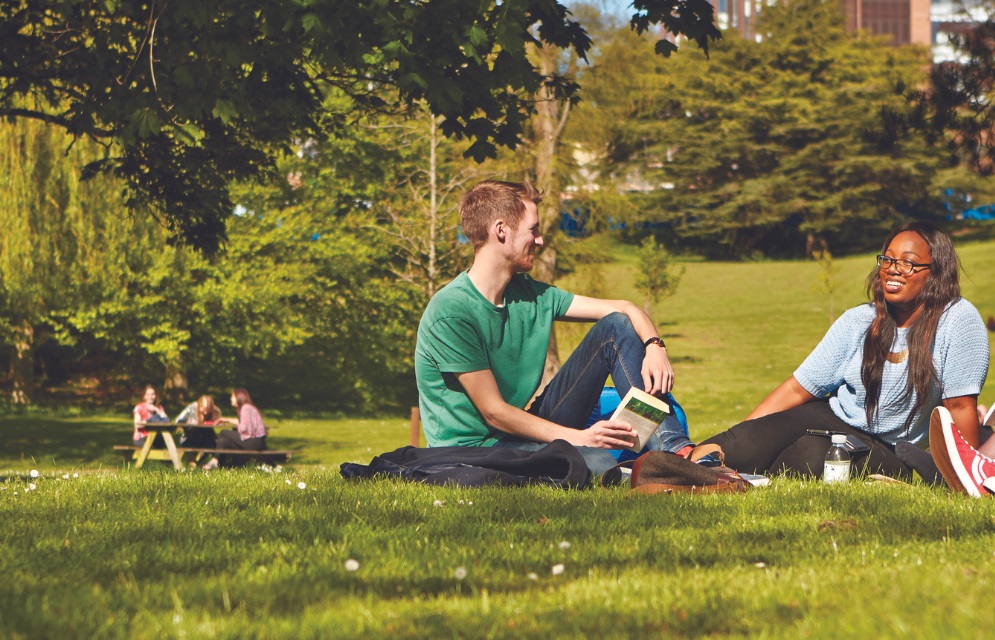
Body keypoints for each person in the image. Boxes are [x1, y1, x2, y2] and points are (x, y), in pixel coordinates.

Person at [414, 179, 690, 477]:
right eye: (533, 229)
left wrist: (654, 346)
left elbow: (624, 309)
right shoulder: (452, 310)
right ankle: (655, 465)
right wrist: (581, 438)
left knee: (616, 326)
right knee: (598, 464)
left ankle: (679, 453)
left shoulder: (529, 294)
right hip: (470, 451)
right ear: (501, 230)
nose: (540, 240)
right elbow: (493, 412)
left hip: (519, 433)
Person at [700, 221, 990, 480]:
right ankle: (682, 468)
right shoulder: (859, 320)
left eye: (908, 263)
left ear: (935, 272)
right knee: (745, 443)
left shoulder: (958, 319)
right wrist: (747, 432)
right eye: (888, 259)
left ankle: (744, 479)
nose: (893, 269)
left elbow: (960, 406)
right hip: (833, 416)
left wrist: (966, 474)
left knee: (811, 457)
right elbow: (798, 389)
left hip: (889, 449)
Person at [201, 388, 267, 469]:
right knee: (224, 441)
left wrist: (235, 427)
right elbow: (243, 422)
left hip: (253, 441)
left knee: (224, 433)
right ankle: (220, 464)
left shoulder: (245, 408)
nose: (231, 399)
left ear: (238, 398)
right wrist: (227, 420)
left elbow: (244, 428)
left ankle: (215, 461)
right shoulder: (248, 407)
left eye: (232, 397)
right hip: (257, 442)